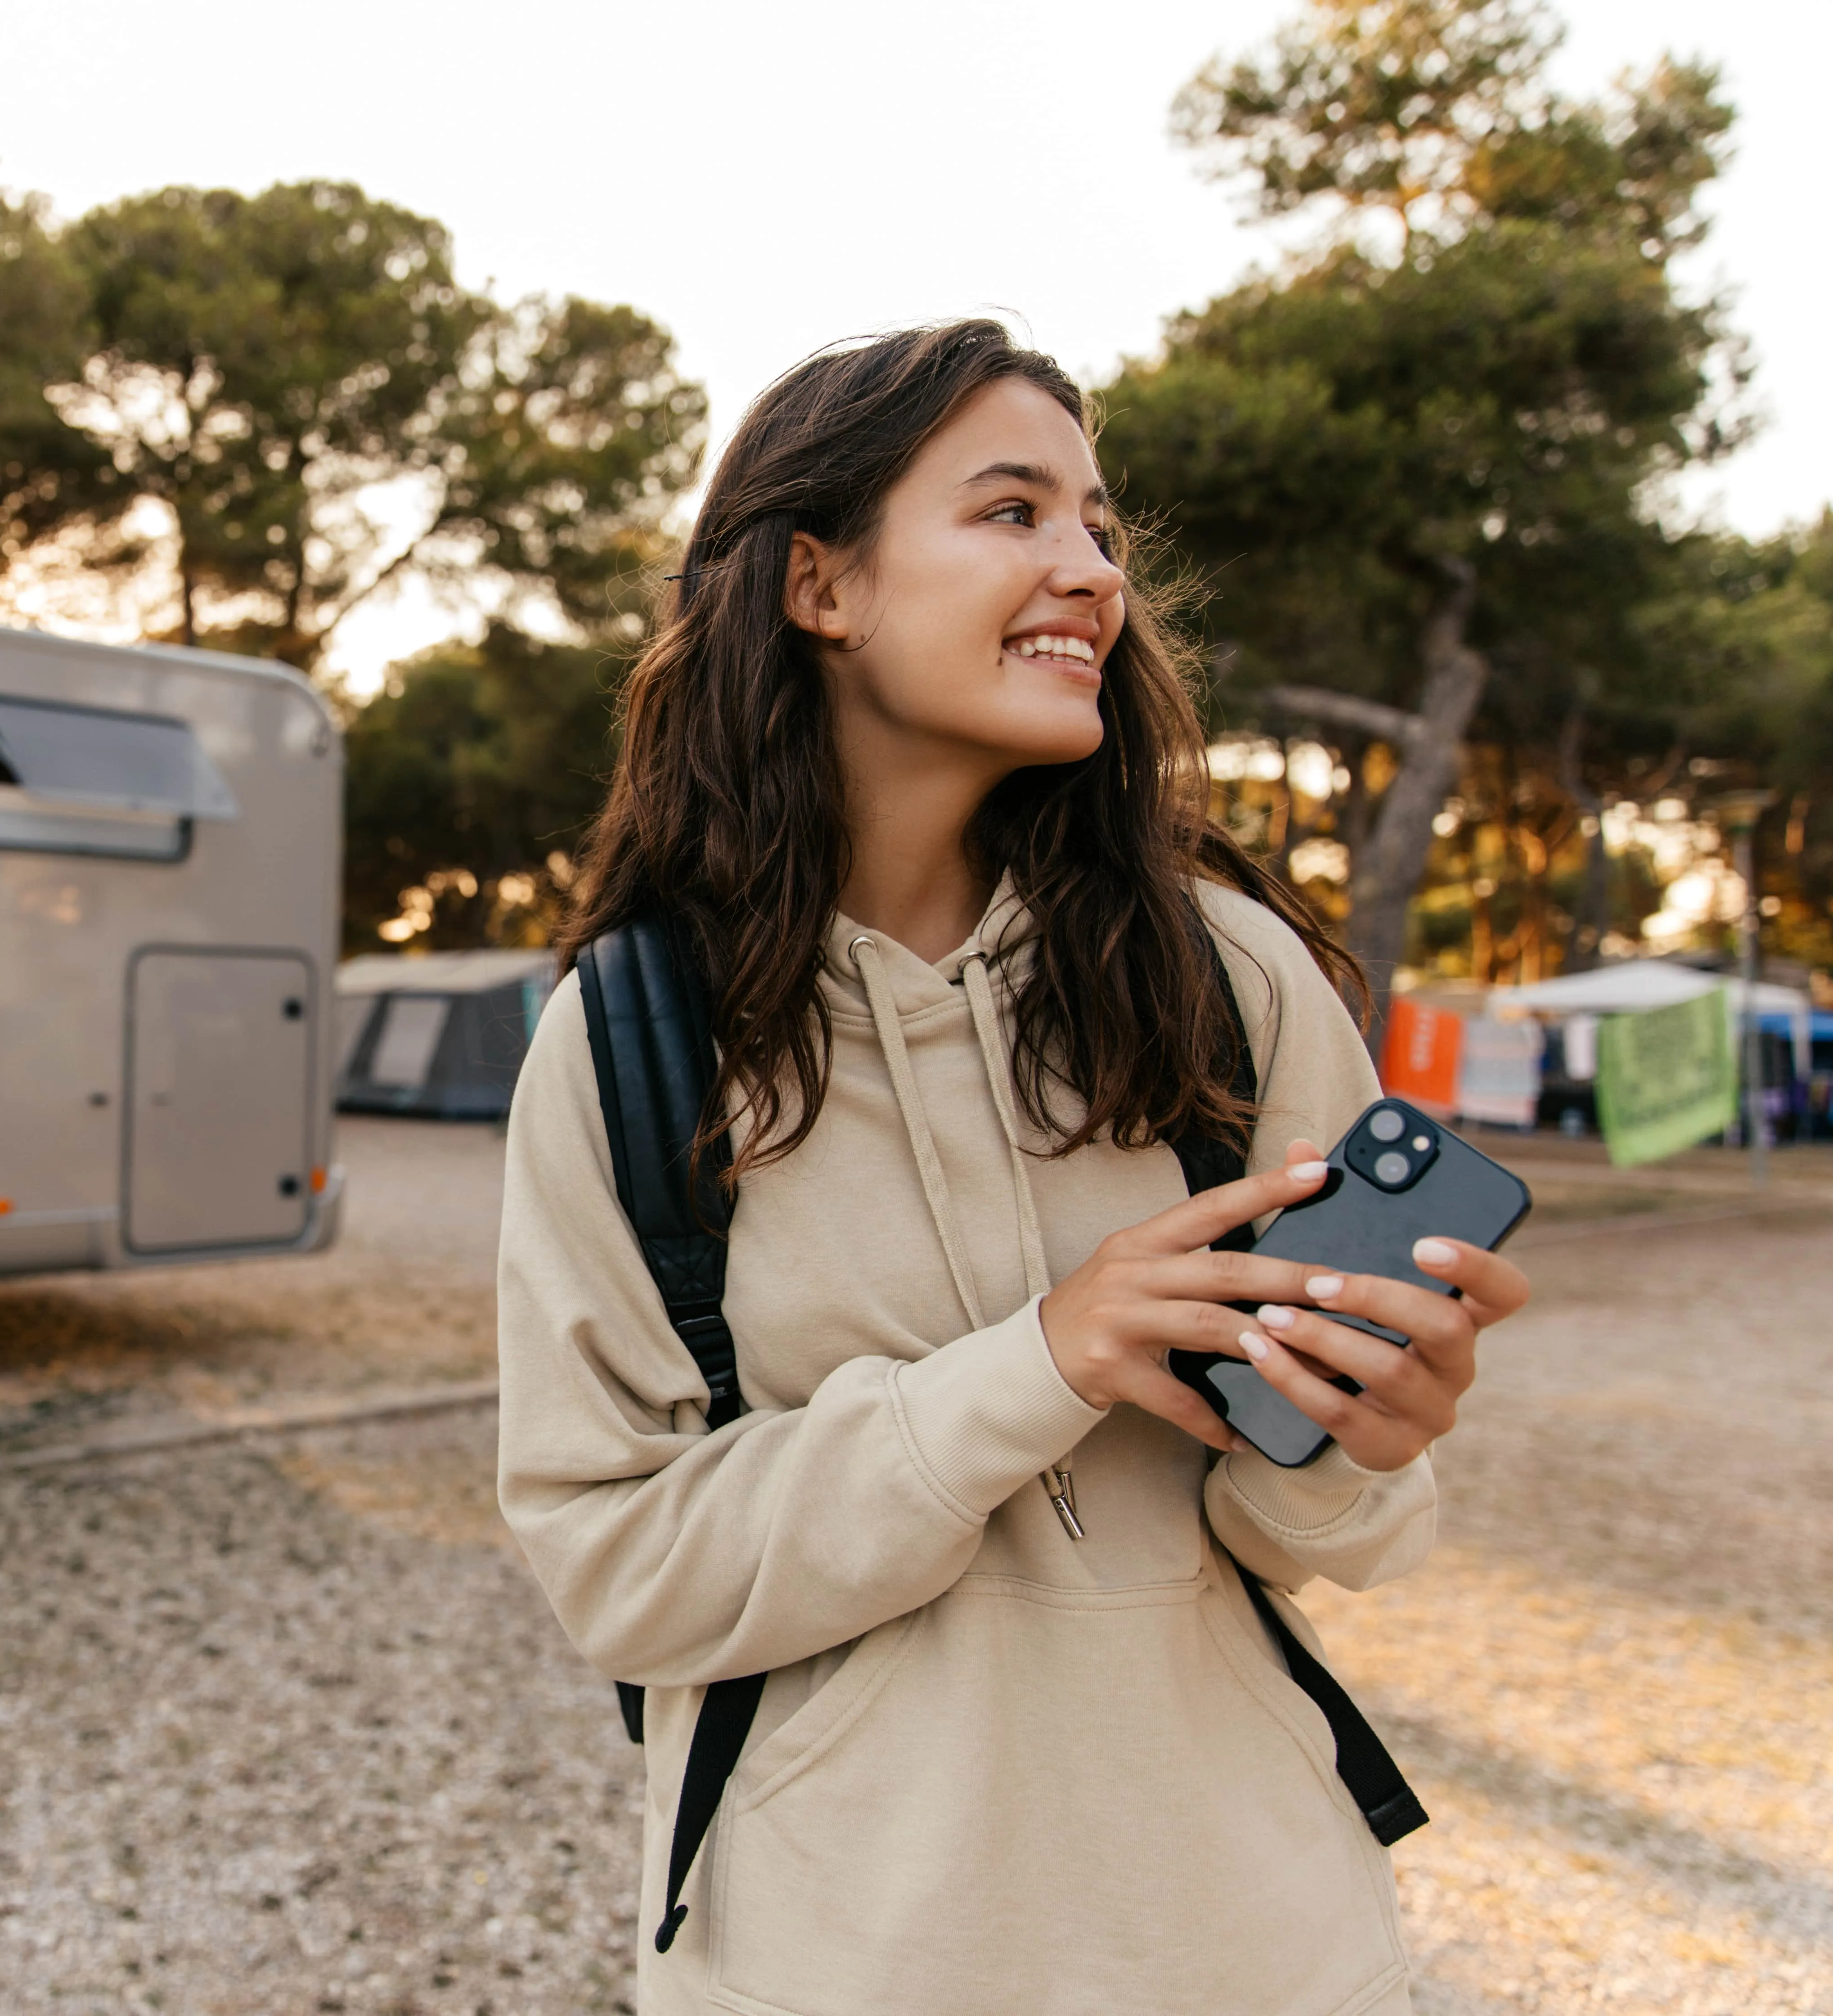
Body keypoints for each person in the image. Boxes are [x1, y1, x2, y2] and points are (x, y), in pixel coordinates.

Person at [494, 321, 1531, 2014]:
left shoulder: (1233, 978)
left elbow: (1323, 1534)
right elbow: (619, 1572)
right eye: (1014, 512)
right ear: (820, 587)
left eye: (1101, 529)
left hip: (1265, 1949)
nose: (1092, 573)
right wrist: (1037, 1367)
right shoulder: (629, 1047)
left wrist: (1363, 1442)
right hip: (839, 1961)